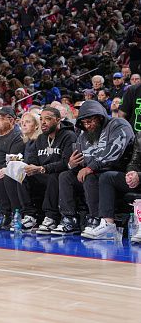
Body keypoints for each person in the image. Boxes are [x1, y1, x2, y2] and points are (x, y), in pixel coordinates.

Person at [54, 100, 134, 235]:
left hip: (118, 173)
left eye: (91, 121)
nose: (88, 125)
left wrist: (91, 167)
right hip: (95, 172)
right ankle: (69, 219)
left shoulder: (118, 124)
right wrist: (73, 164)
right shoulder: (83, 135)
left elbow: (115, 151)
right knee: (66, 176)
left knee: (91, 176)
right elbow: (81, 161)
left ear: (100, 116)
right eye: (84, 123)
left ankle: (96, 219)